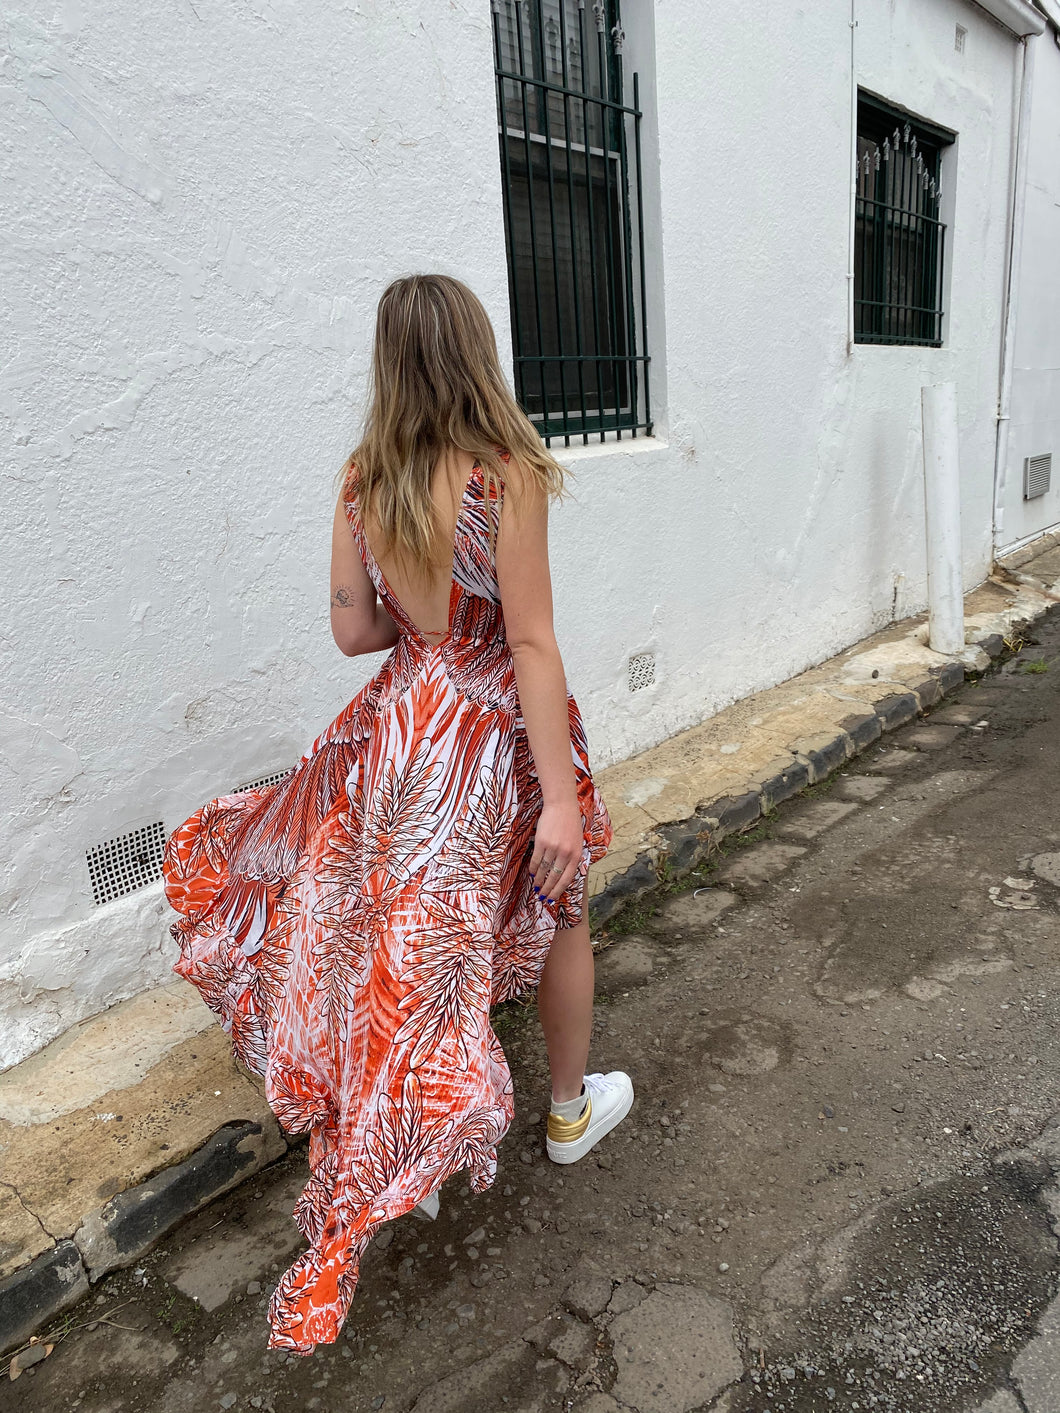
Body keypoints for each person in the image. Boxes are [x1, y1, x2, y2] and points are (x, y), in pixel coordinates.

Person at [162, 272, 634, 1356]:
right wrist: (559, 794)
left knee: (400, 951)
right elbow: (528, 641)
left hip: (400, 731)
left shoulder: (362, 478)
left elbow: (353, 633)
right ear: (475, 350)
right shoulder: (501, 476)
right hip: (486, 734)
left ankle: (403, 1157)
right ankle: (564, 1114)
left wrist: (412, 606)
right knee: (555, 910)